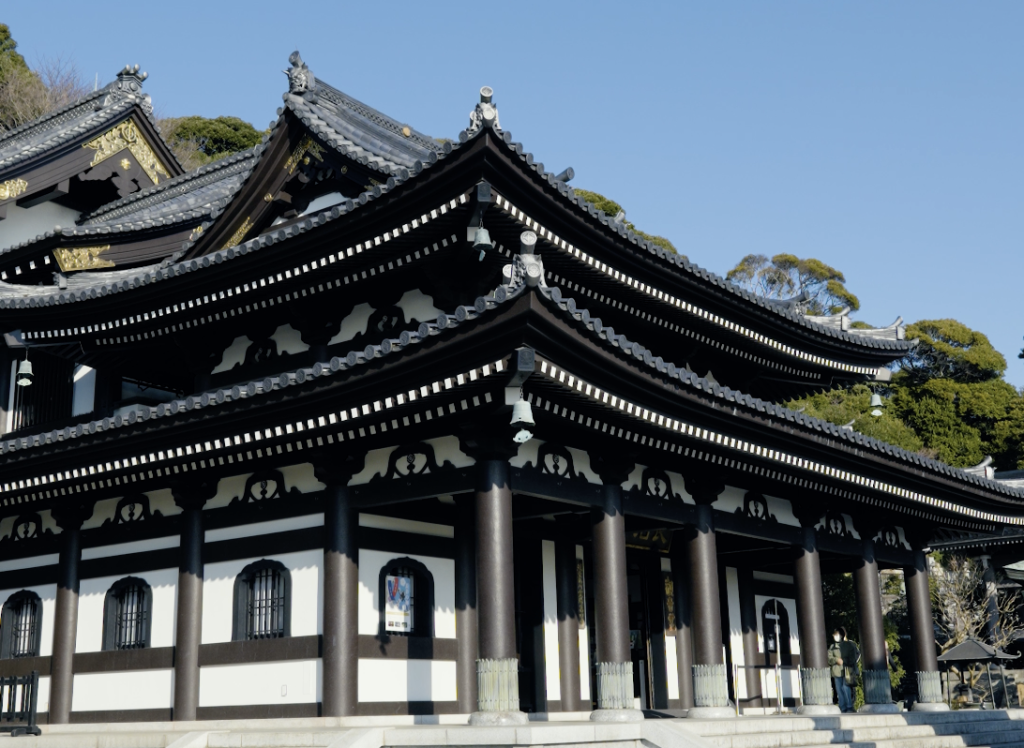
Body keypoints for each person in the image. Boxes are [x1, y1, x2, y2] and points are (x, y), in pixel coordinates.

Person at [828, 627, 860, 712]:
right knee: (839, 690)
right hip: (836, 671)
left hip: (847, 670)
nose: (835, 636)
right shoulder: (832, 647)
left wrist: (843, 661)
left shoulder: (849, 645)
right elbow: (829, 658)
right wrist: (836, 660)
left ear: (842, 635)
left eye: (837, 634)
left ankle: (849, 706)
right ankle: (842, 707)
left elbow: (853, 657)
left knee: (846, 688)